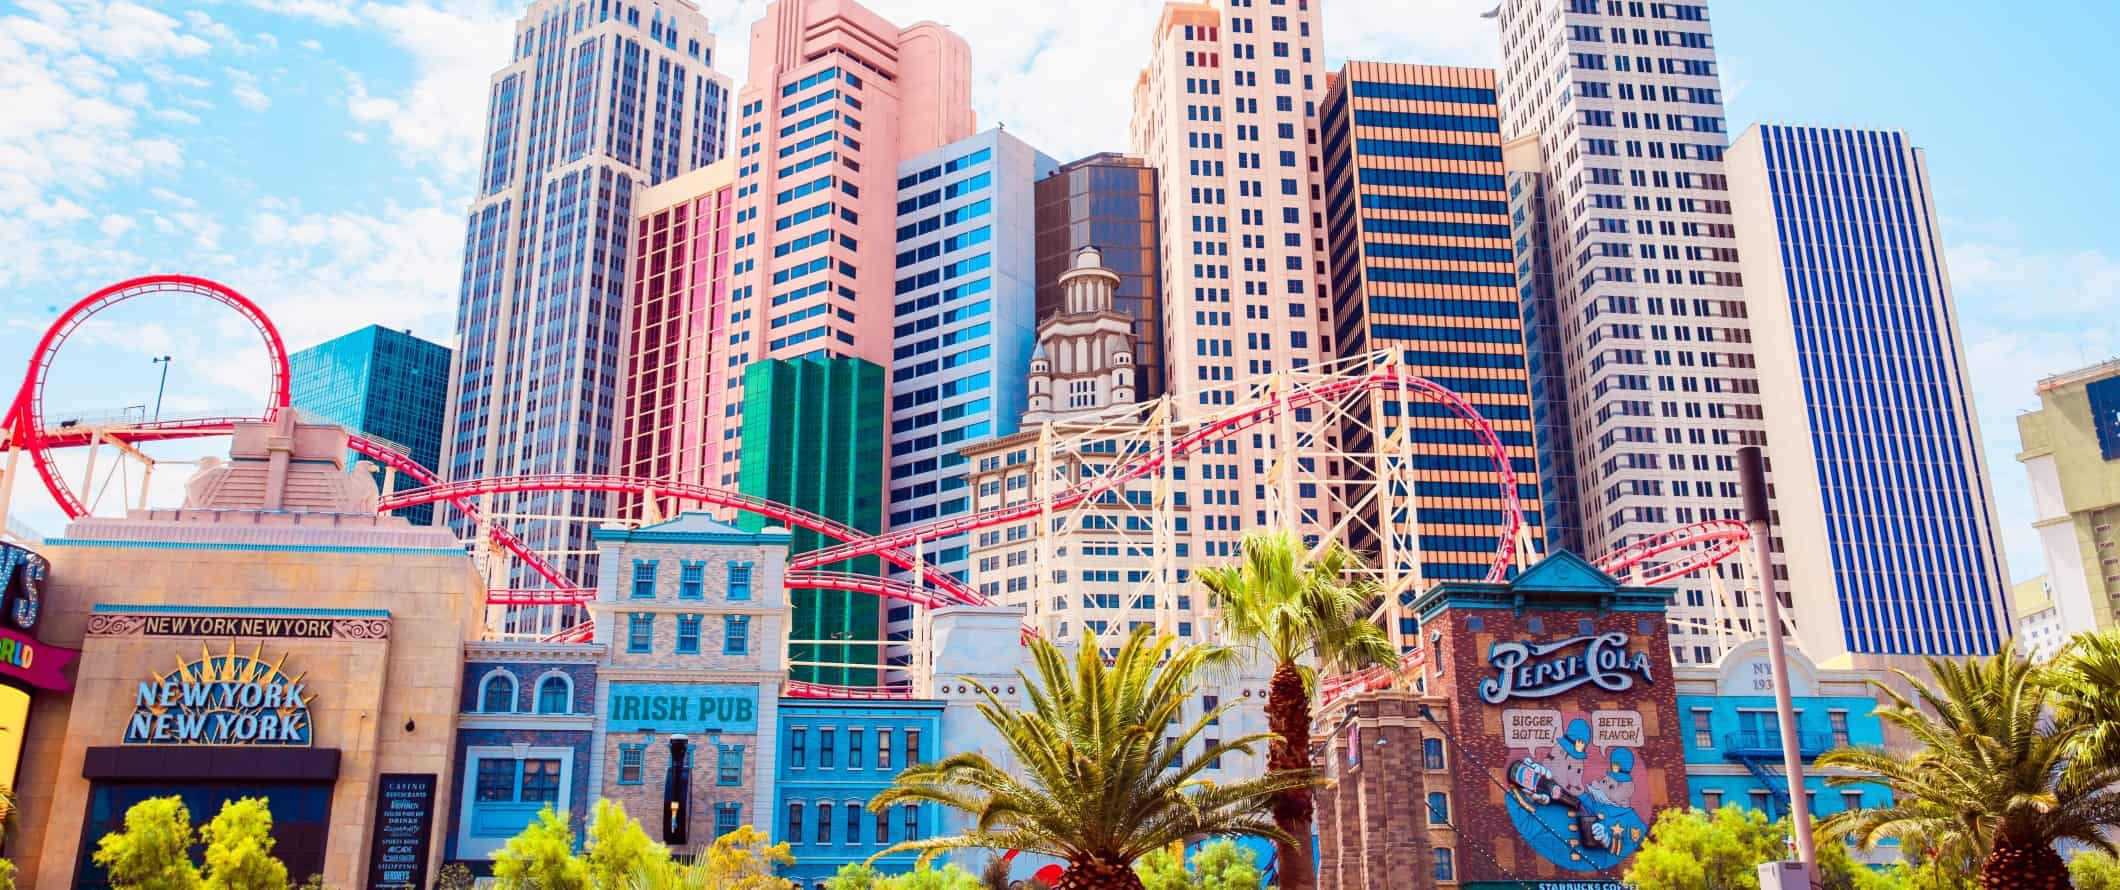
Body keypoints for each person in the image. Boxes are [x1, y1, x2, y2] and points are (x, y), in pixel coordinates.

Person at [1586, 747, 1650, 858]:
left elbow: (1637, 845)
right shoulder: (1596, 805)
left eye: (1611, 787)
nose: (1602, 787)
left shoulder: (1631, 819)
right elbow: (1579, 802)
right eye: (1604, 781)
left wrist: (1607, 840)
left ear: (1625, 796)